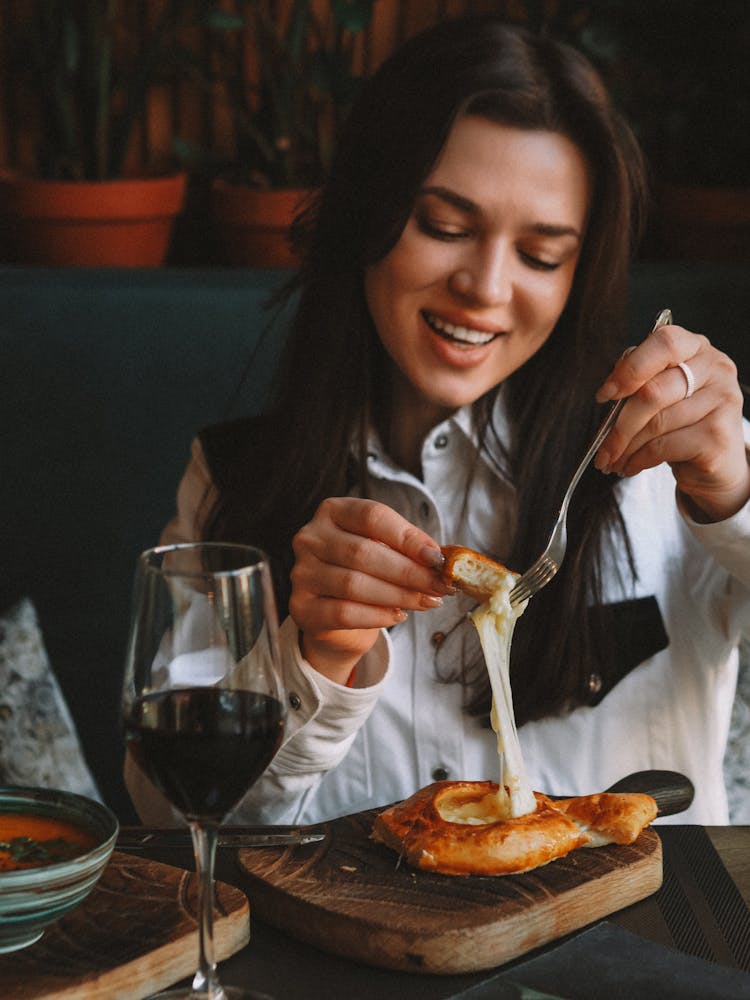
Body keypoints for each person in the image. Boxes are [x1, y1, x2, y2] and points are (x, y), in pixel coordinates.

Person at [126, 17, 750, 826]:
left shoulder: (666, 459)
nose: (487, 288)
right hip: (351, 952)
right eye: (446, 227)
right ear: (367, 219)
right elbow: (170, 817)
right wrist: (313, 656)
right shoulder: (237, 476)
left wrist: (733, 492)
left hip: (648, 949)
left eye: (541, 255)